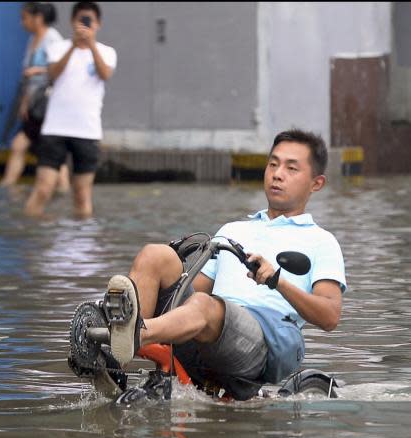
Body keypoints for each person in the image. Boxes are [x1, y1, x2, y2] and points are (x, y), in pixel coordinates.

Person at [102, 129, 347, 394]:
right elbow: (192, 289)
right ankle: (115, 361)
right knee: (156, 255)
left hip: (262, 344)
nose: (277, 174)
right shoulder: (232, 230)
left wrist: (278, 281)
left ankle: (135, 334)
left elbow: (330, 317)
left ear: (316, 183)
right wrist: (170, 271)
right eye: (273, 164)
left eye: (291, 168)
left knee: (204, 305)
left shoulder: (321, 241)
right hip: (206, 329)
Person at [24, 1, 117, 218]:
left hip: (87, 130)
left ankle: (81, 245)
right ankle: (30, 233)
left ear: (98, 24)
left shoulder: (107, 52)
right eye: (80, 20)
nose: (84, 25)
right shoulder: (57, 48)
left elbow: (105, 74)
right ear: (72, 22)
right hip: (55, 128)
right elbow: (53, 74)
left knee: (82, 194)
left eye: (89, 21)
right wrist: (74, 46)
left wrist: (91, 44)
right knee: (43, 189)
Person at [0, 2, 70, 192]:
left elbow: (62, 69)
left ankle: (62, 190)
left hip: (49, 106)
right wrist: (24, 103)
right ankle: (8, 187)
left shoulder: (53, 39)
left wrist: (38, 70)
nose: (23, 22)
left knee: (37, 149)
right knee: (22, 146)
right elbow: (26, 78)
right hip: (35, 106)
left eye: (25, 17)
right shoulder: (33, 40)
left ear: (38, 17)